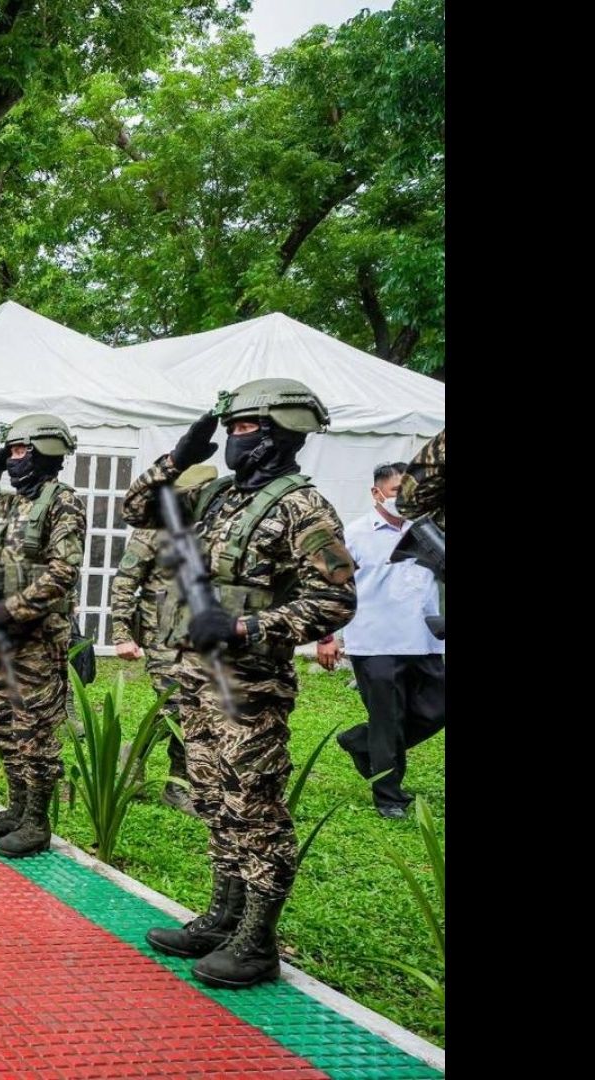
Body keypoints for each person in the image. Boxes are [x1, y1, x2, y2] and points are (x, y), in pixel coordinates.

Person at [125, 378, 356, 990]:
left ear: (280, 434)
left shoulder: (304, 509)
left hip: (248, 688)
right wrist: (179, 458)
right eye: (229, 428)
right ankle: (223, 916)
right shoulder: (220, 494)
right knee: (213, 799)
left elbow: (334, 601)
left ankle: (257, 942)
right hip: (195, 680)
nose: (232, 438)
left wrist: (246, 624)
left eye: (244, 428)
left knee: (254, 807)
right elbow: (139, 512)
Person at [0, 414, 87, 859]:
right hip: (5, 635)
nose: (14, 462)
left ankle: (37, 821)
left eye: (20, 452)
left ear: (45, 453)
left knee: (35, 727)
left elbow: (62, 571)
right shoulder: (17, 502)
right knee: (3, 720)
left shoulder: (63, 502)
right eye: (11, 453)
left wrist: (11, 609)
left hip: (36, 635)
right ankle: (16, 808)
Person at [322, 462, 444, 818]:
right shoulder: (354, 534)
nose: (405, 501)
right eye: (396, 493)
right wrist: (327, 636)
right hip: (374, 641)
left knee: (436, 709)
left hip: (426, 639)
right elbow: (330, 587)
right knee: (388, 719)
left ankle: (361, 741)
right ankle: (388, 796)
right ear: (376, 494)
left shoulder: (431, 531)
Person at [108, 463, 219, 816]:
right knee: (174, 706)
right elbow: (125, 581)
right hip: (161, 634)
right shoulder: (152, 528)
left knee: (194, 708)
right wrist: (122, 634)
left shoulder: (212, 529)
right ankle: (138, 760)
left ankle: (177, 783)